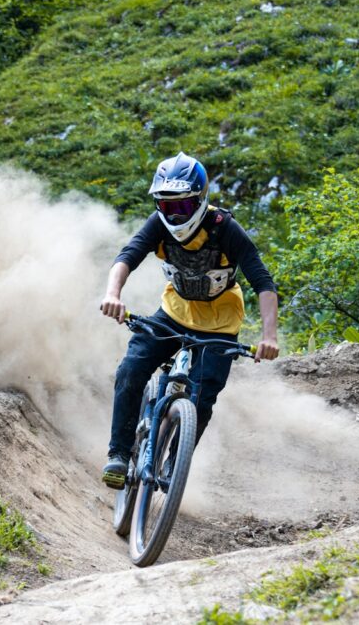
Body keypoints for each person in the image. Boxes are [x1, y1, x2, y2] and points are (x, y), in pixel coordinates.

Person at [99, 152, 280, 489]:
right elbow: (127, 256)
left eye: (182, 207)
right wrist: (113, 294)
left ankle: (173, 465)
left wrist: (269, 335)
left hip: (220, 322)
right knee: (130, 369)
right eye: (167, 207)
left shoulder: (225, 229)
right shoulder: (157, 225)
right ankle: (119, 454)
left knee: (201, 396)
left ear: (200, 200)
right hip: (174, 312)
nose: (174, 214)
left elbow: (262, 282)